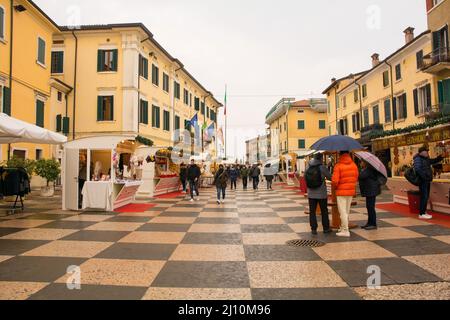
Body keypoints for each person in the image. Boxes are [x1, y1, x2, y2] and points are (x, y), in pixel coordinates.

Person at [332, 151, 359, 237]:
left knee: (342, 211)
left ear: (340, 155)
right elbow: (356, 177)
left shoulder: (338, 165)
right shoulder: (354, 165)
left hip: (341, 191)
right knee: (346, 210)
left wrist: (335, 186)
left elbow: (335, 181)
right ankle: (343, 227)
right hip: (350, 191)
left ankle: (345, 230)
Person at [305, 153, 332, 235]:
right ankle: (326, 228)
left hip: (311, 193)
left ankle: (313, 229)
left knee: (312, 211)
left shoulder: (308, 166)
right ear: (320, 159)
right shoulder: (322, 167)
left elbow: (305, 177)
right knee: (324, 211)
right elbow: (330, 177)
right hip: (321, 194)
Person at [413, 146, 444, 220]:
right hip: (423, 181)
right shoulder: (418, 159)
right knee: (424, 197)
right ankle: (421, 213)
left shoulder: (425, 159)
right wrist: (425, 176)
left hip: (426, 180)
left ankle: (423, 212)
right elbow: (417, 169)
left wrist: (440, 157)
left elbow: (432, 161)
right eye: (426, 151)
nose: (427, 152)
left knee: (425, 197)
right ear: (422, 152)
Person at [358, 160, 386, 230]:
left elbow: (361, 176)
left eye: (361, 162)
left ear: (365, 163)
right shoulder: (368, 169)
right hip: (370, 190)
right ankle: (369, 223)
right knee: (369, 207)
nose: (360, 163)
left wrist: (361, 171)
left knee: (371, 208)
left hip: (371, 191)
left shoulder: (369, 170)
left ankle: (373, 224)